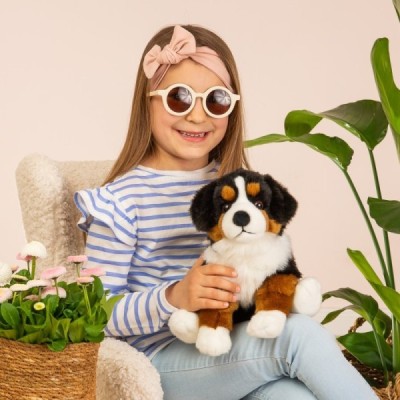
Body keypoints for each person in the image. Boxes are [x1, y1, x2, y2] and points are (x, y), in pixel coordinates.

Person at [74, 24, 378, 400]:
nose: (198, 116)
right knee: (297, 337)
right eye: (179, 98)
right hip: (157, 365)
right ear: (146, 101)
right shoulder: (119, 200)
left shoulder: (233, 187)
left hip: (230, 347)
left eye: (216, 100)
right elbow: (97, 313)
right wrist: (174, 296)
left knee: (291, 395)